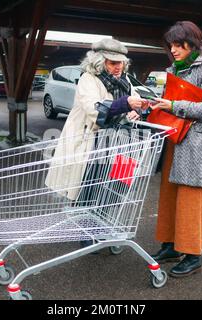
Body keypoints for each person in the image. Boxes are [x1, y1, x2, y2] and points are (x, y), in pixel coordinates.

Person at [44, 38, 149, 247]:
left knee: (113, 188)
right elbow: (95, 109)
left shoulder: (126, 80)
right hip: (91, 142)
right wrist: (126, 104)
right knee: (89, 188)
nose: (118, 66)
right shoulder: (88, 80)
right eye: (112, 62)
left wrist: (140, 110)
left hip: (120, 143)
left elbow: (137, 103)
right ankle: (86, 234)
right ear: (99, 62)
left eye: (120, 62)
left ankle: (101, 227)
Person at [149, 21, 202, 277]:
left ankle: (193, 255)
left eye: (178, 44)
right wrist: (147, 107)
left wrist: (173, 105)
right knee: (169, 195)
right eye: (171, 45)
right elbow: (165, 102)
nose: (174, 50)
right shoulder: (173, 69)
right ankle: (170, 245)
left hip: (195, 143)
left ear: (192, 43)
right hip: (172, 139)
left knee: (191, 198)